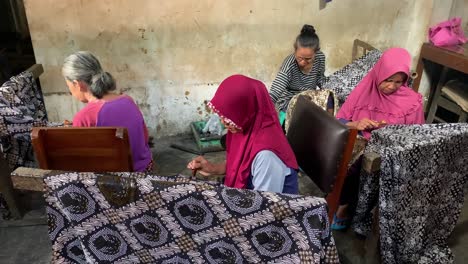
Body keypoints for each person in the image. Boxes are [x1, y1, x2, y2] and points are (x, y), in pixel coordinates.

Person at [331, 47, 425, 230]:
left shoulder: (412, 101)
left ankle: (360, 213)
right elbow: (340, 120)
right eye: (388, 80)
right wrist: (356, 124)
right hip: (362, 141)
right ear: (380, 73)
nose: (391, 86)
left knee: (378, 167)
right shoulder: (364, 90)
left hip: (393, 149)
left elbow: (416, 135)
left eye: (399, 82)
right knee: (349, 160)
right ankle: (343, 205)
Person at [187, 75, 299, 194]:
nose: (224, 122)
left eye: (231, 116)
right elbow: (239, 165)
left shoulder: (266, 156)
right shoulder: (242, 129)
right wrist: (213, 168)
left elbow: (265, 204)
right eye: (223, 116)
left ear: (248, 111)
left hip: (271, 206)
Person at [62, 51, 153, 172]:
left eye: (69, 86)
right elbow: (145, 137)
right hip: (146, 171)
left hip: (115, 182)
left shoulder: (84, 117)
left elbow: (82, 163)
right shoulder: (127, 100)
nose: (70, 92)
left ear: (77, 84)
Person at [269, 24, 332, 125]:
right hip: (290, 99)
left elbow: (320, 79)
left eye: (308, 59)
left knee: (330, 101)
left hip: (310, 96)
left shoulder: (320, 58)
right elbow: (275, 91)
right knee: (299, 118)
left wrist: (330, 90)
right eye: (300, 58)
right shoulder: (289, 64)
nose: (303, 62)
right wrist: (266, 106)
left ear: (316, 53)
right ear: (295, 51)